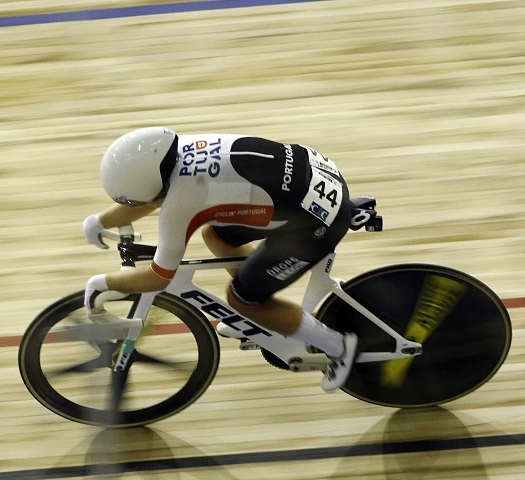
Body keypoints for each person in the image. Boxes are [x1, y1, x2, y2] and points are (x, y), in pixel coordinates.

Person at [82, 127, 358, 392]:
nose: (135, 206)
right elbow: (149, 197)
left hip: (315, 222)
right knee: (217, 236)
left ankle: (338, 347)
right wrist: (100, 220)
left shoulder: (180, 204)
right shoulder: (176, 150)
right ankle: (265, 312)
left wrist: (102, 284)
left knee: (241, 299)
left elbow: (158, 277)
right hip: (316, 176)